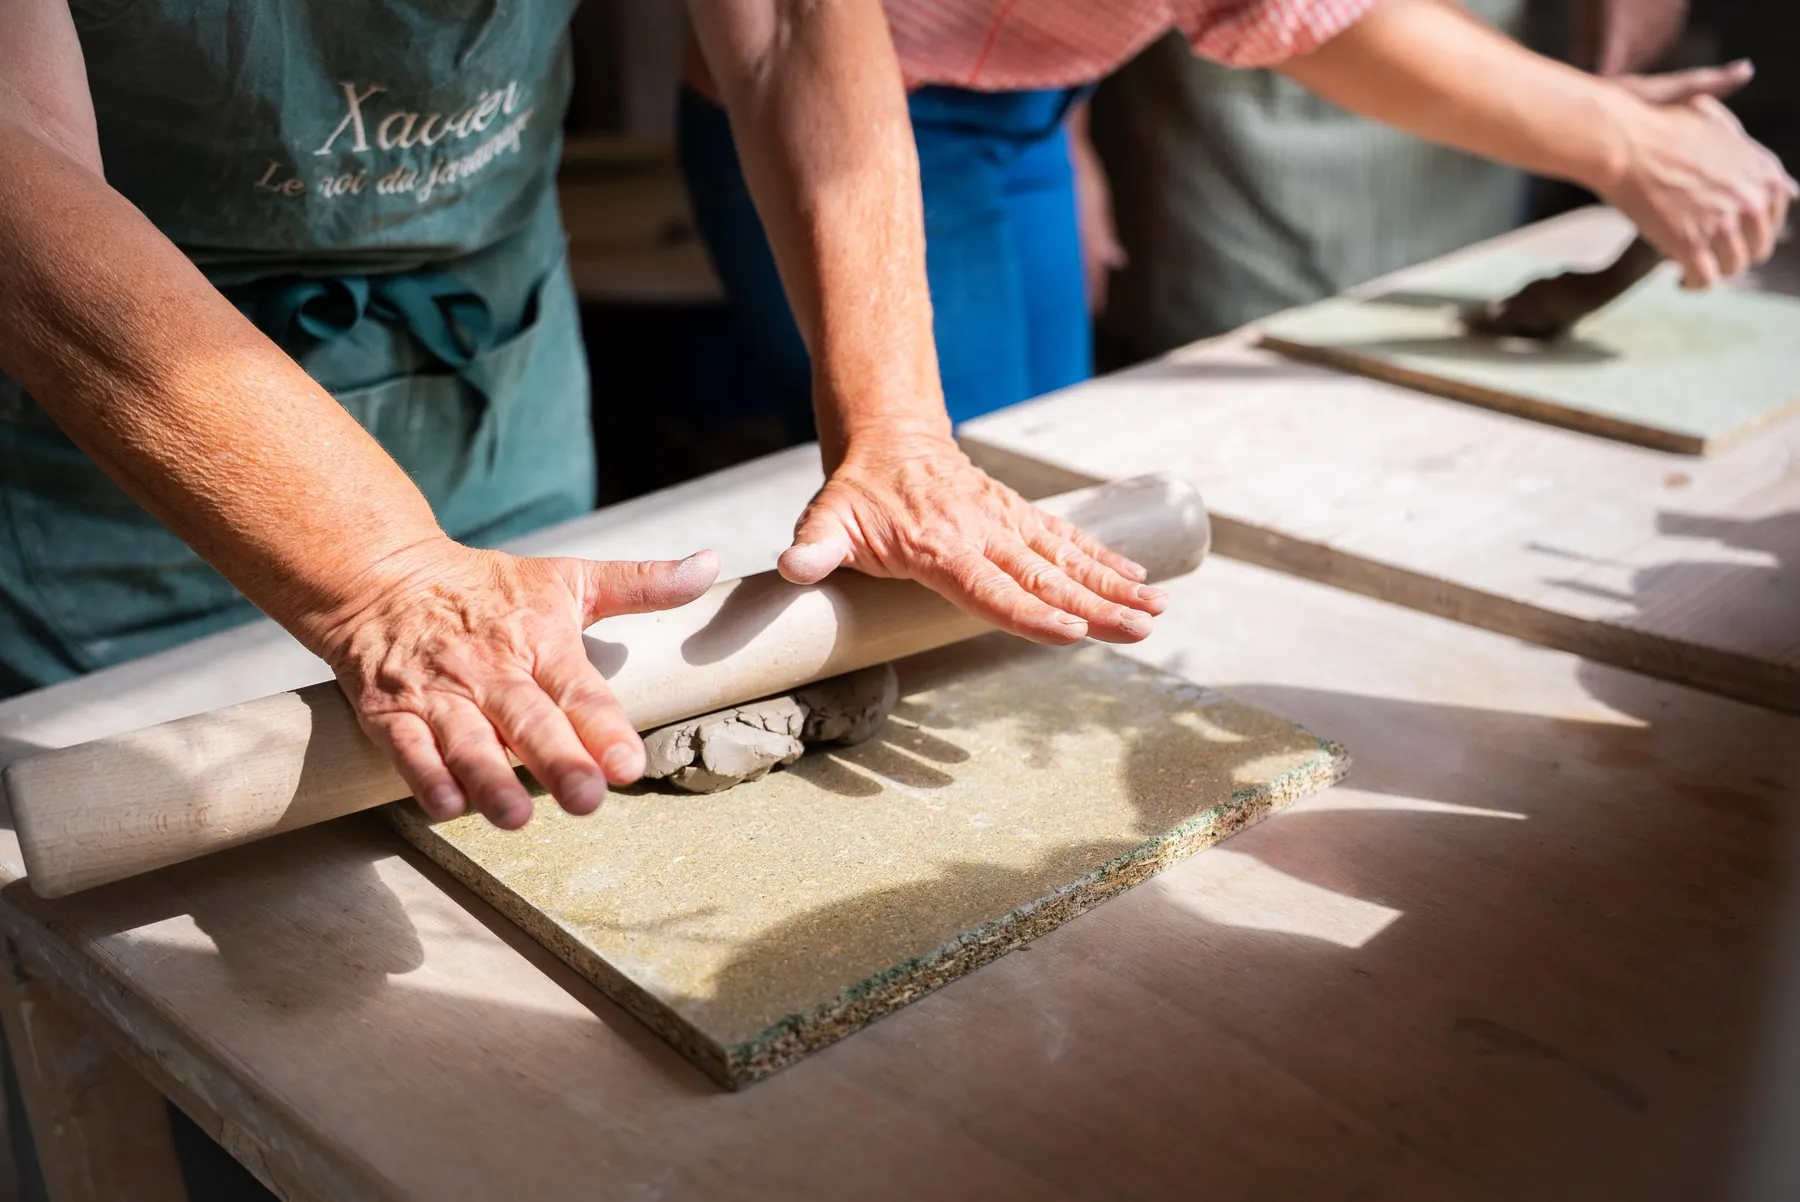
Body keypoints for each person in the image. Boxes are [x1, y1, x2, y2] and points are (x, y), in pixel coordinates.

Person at [0, 0, 1167, 837]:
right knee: (161, 875)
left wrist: (900, 428)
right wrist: (381, 574)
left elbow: (795, 26)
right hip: (122, 408)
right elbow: (18, 156)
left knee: (542, 797)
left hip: (492, 359)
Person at [678, 0, 1794, 425]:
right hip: (859, 105)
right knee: (936, 480)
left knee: (1039, 458)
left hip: (1026, 91)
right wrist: (1618, 138)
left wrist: (1601, 109)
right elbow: (1307, 17)